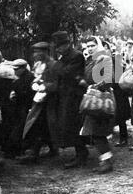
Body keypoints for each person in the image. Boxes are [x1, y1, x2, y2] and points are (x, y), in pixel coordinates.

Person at [49, 31, 88, 169]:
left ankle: (81, 154)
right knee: (68, 125)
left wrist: (57, 66)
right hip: (64, 95)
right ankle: (80, 152)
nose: (58, 49)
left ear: (67, 44)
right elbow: (58, 71)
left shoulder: (76, 55)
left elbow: (66, 73)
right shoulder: (64, 57)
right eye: (57, 46)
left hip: (74, 96)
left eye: (60, 46)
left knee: (74, 124)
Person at [80, 36, 115, 173]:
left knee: (97, 132)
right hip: (92, 98)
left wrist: (94, 86)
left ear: (98, 45)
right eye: (87, 46)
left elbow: (109, 79)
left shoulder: (104, 58)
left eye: (92, 46)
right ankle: (106, 159)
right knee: (95, 132)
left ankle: (107, 162)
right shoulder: (90, 60)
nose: (89, 48)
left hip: (101, 99)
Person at [19, 42, 58, 164]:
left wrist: (44, 86)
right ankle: (47, 150)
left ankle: (34, 154)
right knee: (39, 126)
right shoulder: (38, 65)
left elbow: (56, 85)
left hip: (51, 101)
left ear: (46, 52)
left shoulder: (53, 65)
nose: (35, 54)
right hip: (39, 101)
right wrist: (35, 85)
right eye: (34, 52)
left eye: (38, 52)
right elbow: (34, 80)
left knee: (42, 125)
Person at [6, 59, 35, 158]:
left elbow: (27, 93)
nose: (14, 71)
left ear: (23, 68)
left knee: (21, 129)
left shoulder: (29, 78)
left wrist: (16, 94)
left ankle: (18, 151)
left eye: (16, 69)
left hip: (27, 107)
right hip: (20, 107)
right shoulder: (20, 77)